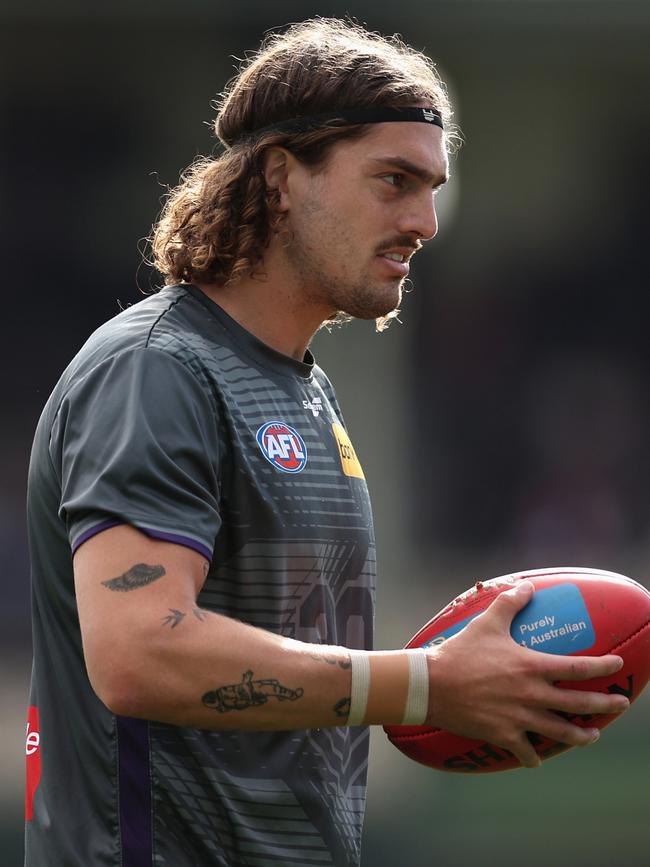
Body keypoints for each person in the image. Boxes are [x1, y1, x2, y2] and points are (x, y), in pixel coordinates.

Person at [25, 17, 628, 867]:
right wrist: (426, 684)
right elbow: (138, 652)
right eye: (393, 180)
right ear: (280, 176)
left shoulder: (307, 392)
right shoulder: (155, 370)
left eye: (432, 188)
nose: (424, 220)